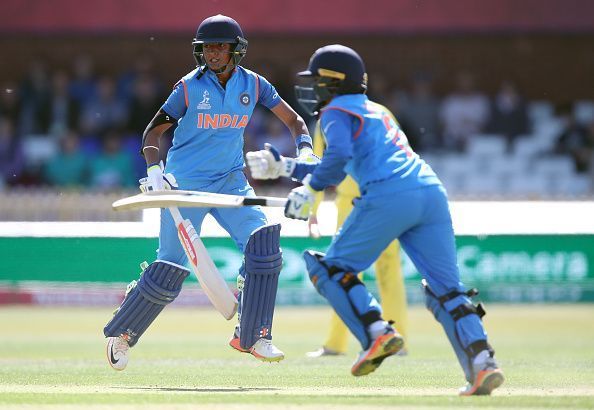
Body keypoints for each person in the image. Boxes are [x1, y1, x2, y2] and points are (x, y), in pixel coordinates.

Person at [246, 44, 504, 396]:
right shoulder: (373, 110)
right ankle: (482, 363)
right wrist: (286, 166)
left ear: (335, 82)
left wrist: (310, 189)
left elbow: (337, 157)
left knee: (329, 269)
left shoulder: (334, 111)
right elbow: (343, 158)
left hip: (388, 194)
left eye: (318, 81)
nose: (313, 89)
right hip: (429, 191)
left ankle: (376, 331)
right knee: (446, 290)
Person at [103, 14, 314, 370]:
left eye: (220, 47)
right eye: (207, 48)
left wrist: (305, 150)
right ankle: (122, 332)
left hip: (230, 180)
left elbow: (294, 121)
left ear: (236, 50)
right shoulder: (188, 86)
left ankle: (254, 334)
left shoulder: (255, 84)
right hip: (184, 184)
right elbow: (153, 132)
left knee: (263, 243)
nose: (213, 54)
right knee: (170, 267)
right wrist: (155, 169)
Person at [305, 121, 409, 358]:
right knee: (374, 273)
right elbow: (403, 152)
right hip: (378, 198)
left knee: (348, 273)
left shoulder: (330, 119)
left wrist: (314, 210)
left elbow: (318, 167)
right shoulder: (377, 113)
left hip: (367, 200)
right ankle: (390, 341)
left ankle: (340, 344)